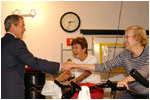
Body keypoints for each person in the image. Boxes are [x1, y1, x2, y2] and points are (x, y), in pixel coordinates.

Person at [1, 14, 71, 99]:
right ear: (13, 26)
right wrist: (61, 66)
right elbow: (34, 62)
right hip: (12, 92)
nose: (24, 29)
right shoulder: (17, 43)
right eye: (22, 25)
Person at [71, 26, 149, 99]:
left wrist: (126, 79)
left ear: (137, 39)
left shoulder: (148, 52)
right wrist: (76, 65)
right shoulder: (125, 55)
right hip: (133, 93)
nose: (124, 39)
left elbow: (144, 71)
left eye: (127, 37)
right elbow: (104, 66)